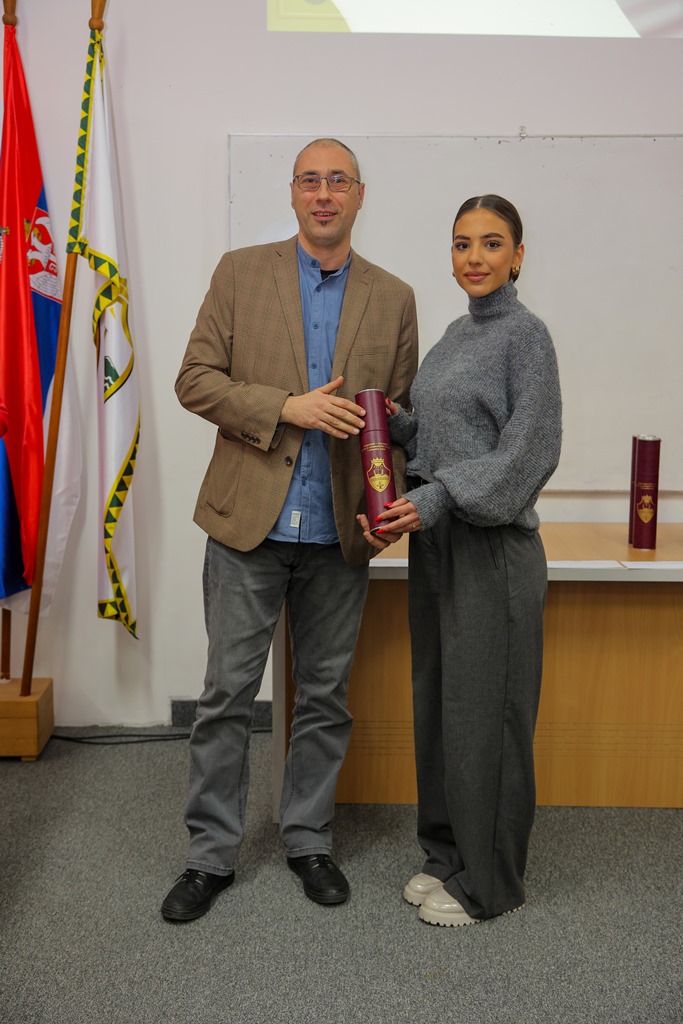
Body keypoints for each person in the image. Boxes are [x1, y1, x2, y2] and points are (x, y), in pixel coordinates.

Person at [162, 138, 418, 921]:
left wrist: (392, 484)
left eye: (338, 180)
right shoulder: (240, 273)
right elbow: (193, 381)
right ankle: (210, 855)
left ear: (359, 195)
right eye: (310, 180)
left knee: (325, 696)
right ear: (293, 193)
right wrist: (285, 407)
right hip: (248, 524)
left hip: (340, 531)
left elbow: (403, 418)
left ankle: (307, 840)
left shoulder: (394, 297)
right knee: (225, 696)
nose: (324, 193)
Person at [359, 195, 562, 926]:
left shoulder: (525, 337)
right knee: (441, 706)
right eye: (461, 243)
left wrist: (439, 495)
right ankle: (447, 853)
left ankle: (491, 882)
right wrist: (395, 423)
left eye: (491, 243)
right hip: (439, 543)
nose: (474, 257)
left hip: (491, 547)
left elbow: (527, 452)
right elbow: (450, 439)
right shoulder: (453, 335)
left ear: (517, 255)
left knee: (488, 717)